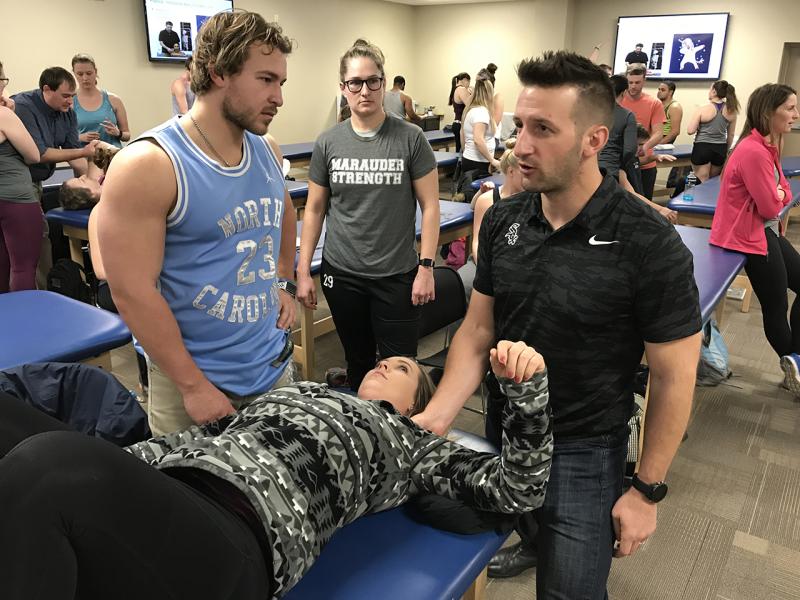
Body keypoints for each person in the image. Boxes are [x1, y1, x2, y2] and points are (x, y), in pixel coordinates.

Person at [413, 51, 702, 596]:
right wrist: (438, 415)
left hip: (585, 452)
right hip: (506, 432)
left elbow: (673, 375)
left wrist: (646, 491)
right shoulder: (503, 219)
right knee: (513, 535)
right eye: (520, 125)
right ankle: (532, 537)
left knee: (570, 590)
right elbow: (479, 331)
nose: (520, 145)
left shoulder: (648, 242)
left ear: (594, 140)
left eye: (543, 129)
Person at [0, 341, 551, 600]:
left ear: (412, 403)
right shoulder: (297, 393)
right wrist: (114, 474)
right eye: (383, 359)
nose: (383, 362)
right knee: (19, 429)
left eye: (403, 367)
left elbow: (518, 489)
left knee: (50, 467)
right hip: (171, 499)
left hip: (238, 541)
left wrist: (527, 396)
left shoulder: (411, 445)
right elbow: (194, 440)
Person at [93, 11, 298, 436]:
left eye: (281, 82)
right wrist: (192, 386)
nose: (279, 97)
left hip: (271, 365)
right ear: (218, 71)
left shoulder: (266, 149)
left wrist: (285, 281)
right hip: (195, 381)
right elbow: (131, 291)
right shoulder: (150, 165)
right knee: (195, 502)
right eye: (266, 80)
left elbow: (285, 212)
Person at [296, 39, 439, 391]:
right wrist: (303, 271)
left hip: (397, 275)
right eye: (355, 83)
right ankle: (363, 432)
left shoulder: (411, 138)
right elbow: (314, 209)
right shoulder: (328, 142)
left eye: (372, 81)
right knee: (358, 361)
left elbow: (431, 206)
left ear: (383, 82)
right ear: (343, 88)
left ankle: (400, 439)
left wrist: (426, 267)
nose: (364, 90)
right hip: (343, 275)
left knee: (401, 368)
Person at [709, 84, 800, 395]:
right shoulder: (752, 151)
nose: (796, 115)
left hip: (764, 229)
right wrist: (777, 196)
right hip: (746, 236)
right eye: (790, 108)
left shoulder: (767, 147)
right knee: (775, 305)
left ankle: (797, 360)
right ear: (767, 112)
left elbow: (785, 193)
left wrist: (778, 194)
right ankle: (795, 368)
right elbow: (772, 206)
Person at [12, 66, 98, 287]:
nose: (70, 102)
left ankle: (51, 291)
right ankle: (42, 296)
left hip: (36, 180)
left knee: (38, 239)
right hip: (17, 182)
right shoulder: (23, 107)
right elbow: (38, 154)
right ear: (47, 90)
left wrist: (92, 185)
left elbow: (74, 155)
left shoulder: (67, 112)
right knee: (35, 240)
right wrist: (84, 152)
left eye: (73, 96)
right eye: (66, 96)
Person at [457, 139, 524, 300]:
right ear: (511, 171)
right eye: (525, 171)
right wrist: (486, 271)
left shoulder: (534, 200)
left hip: (516, 263)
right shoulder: (487, 200)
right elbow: (477, 242)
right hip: (486, 261)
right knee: (463, 283)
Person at [0, 60, 42, 292]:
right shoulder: (4, 115)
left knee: (2, 265)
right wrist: (11, 113)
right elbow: (34, 155)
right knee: (23, 267)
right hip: (16, 200)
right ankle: (27, 325)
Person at [621, 64, 666, 199]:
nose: (633, 86)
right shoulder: (618, 101)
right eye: (630, 82)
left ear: (644, 80)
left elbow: (658, 133)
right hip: (622, 164)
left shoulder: (654, 103)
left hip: (645, 164)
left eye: (637, 82)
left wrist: (645, 147)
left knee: (646, 207)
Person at [71, 53, 130, 148]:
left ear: (95, 72)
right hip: (84, 157)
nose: (85, 78)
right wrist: (80, 137)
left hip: (112, 156)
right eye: (80, 74)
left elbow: (127, 135)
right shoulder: (69, 102)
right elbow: (61, 137)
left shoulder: (114, 100)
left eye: (89, 73)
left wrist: (118, 133)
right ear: (74, 74)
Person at [687, 79, 739, 182]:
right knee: (712, 183)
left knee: (702, 182)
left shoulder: (702, 109)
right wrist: (725, 150)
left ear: (714, 92)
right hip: (720, 149)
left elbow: (690, 130)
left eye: (710, 89)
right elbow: (731, 135)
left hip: (702, 147)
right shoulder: (732, 111)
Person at [58, 141, 118, 209]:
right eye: (82, 181)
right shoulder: (113, 193)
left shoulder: (98, 183)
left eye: (79, 178)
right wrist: (115, 152)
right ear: (92, 194)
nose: (83, 176)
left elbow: (97, 147)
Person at [460, 73, 499, 176]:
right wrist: (493, 160)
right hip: (478, 163)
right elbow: (478, 140)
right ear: (488, 93)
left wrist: (467, 152)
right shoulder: (481, 112)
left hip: (473, 160)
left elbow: (462, 135)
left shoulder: (472, 109)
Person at [448, 72, 471, 154]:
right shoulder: (461, 89)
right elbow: (471, 105)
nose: (469, 85)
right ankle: (459, 167)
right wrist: (473, 93)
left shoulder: (455, 89)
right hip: (461, 124)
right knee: (462, 152)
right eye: (469, 82)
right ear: (465, 80)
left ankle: (457, 166)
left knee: (459, 151)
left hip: (457, 123)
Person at [657, 80, 682, 145]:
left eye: (662, 90)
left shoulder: (674, 107)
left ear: (670, 92)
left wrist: (660, 143)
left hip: (664, 144)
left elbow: (675, 131)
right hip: (656, 139)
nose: (659, 92)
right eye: (659, 89)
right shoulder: (658, 105)